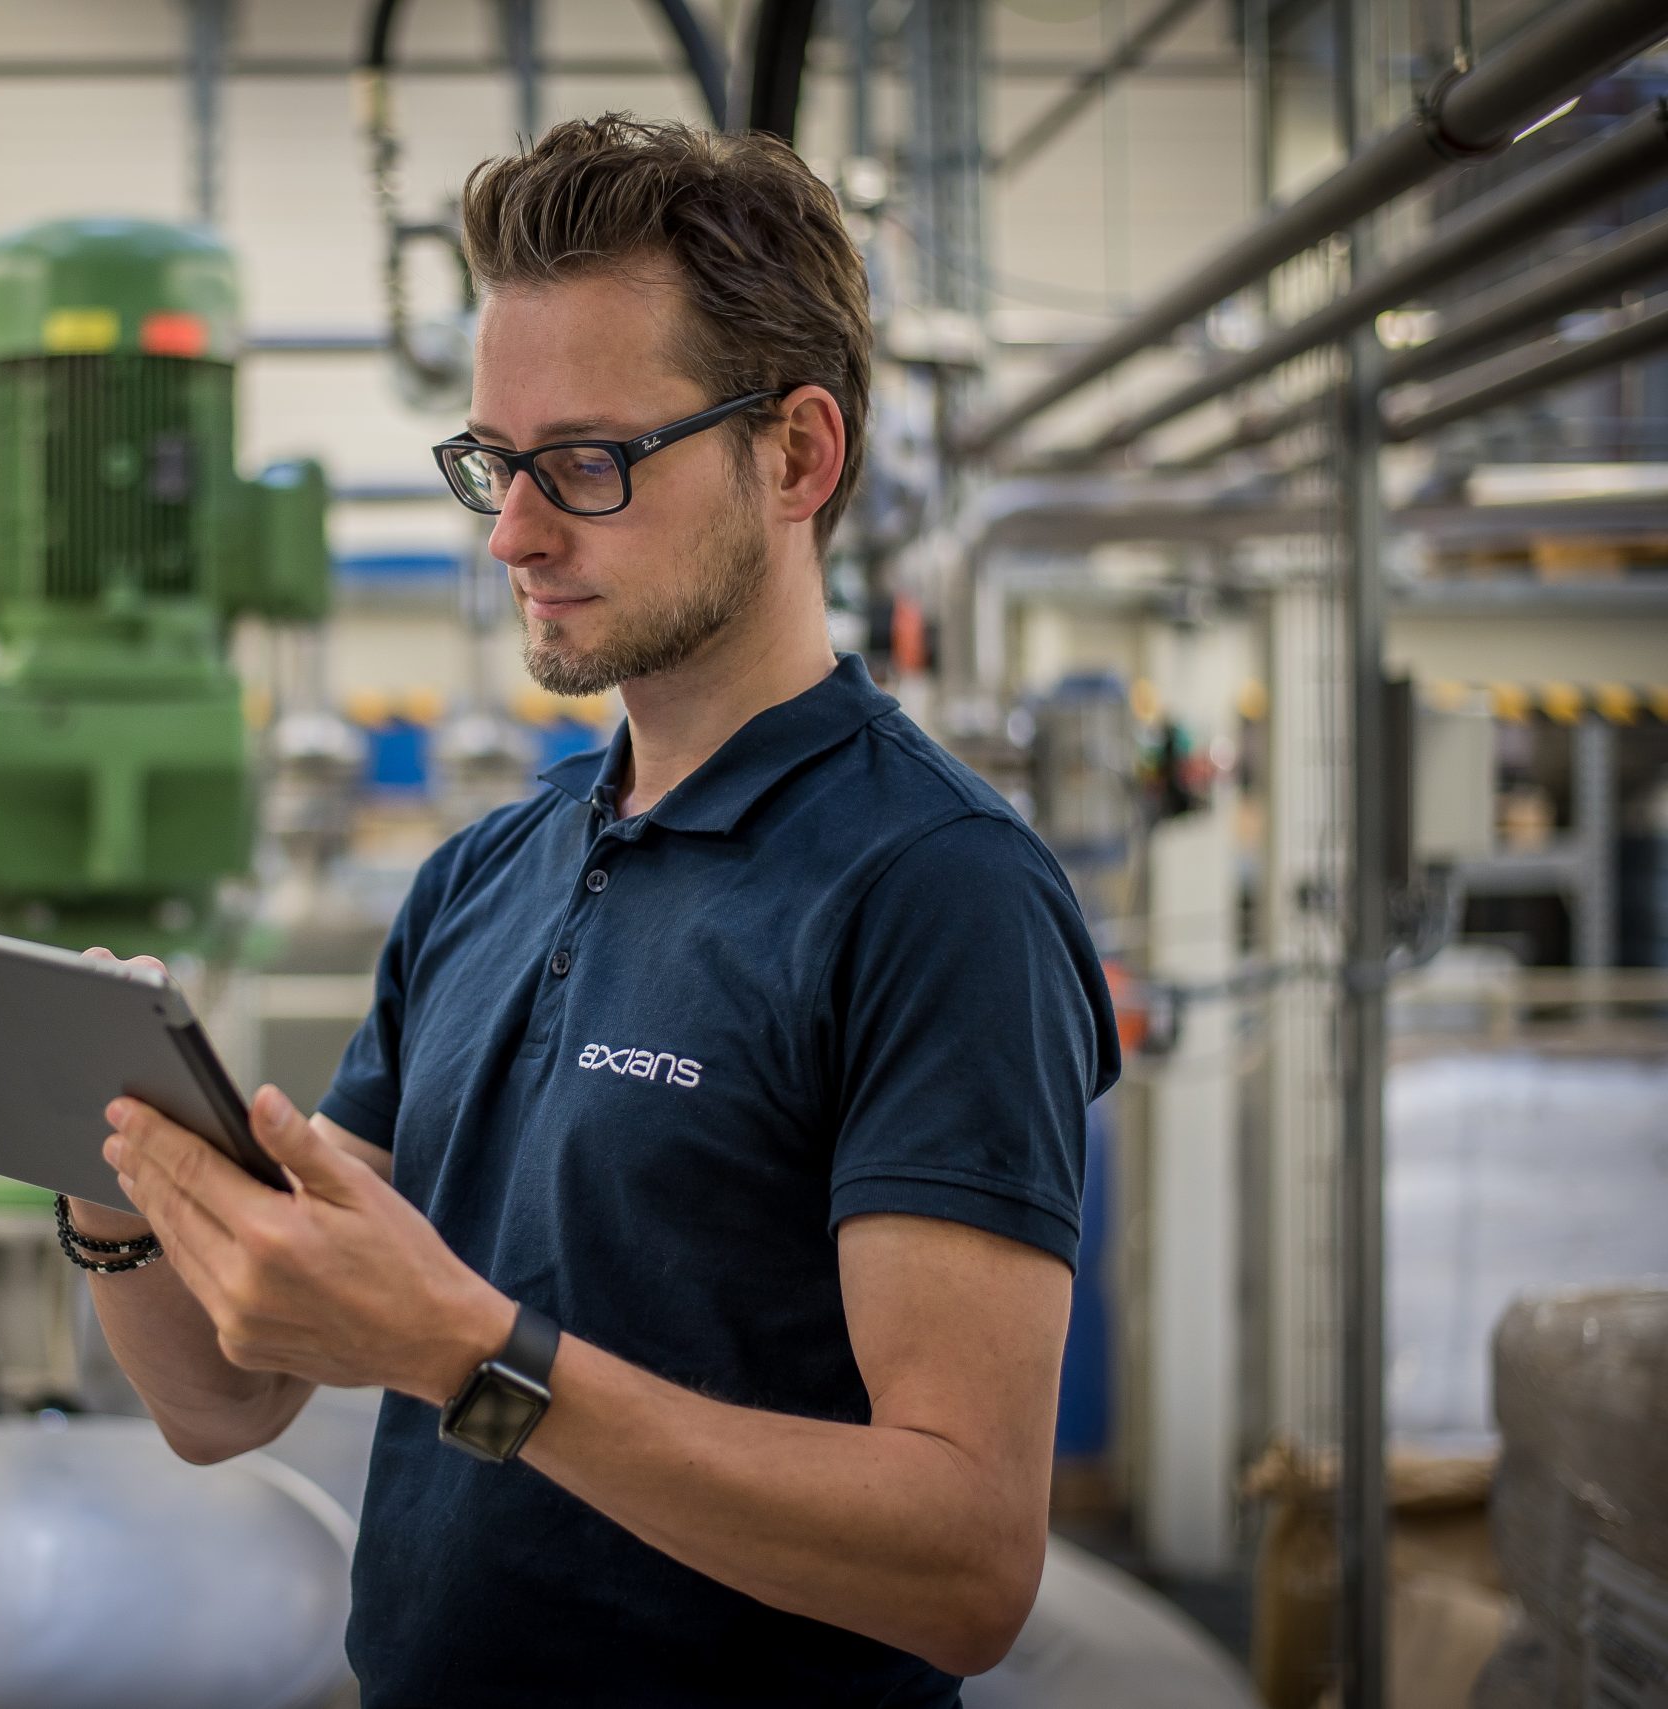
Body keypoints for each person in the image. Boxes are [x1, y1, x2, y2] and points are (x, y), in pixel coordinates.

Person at [63, 114, 1118, 1708]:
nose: (513, 531)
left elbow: (965, 1562)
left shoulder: (937, 890)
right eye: (498, 463)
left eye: (587, 464)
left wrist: (471, 1355)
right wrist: (115, 1184)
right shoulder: (485, 874)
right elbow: (227, 1401)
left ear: (798, 455)